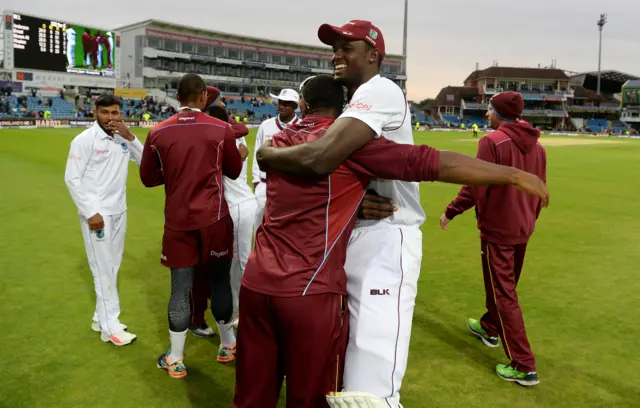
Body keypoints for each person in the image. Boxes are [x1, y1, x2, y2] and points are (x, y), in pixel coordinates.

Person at [256, 21, 549, 408]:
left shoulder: (380, 90)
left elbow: (323, 158)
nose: (337, 55)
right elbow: (344, 168)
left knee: (371, 389)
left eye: (348, 48)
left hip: (386, 239)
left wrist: (266, 154)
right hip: (352, 234)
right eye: (335, 48)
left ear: (374, 55)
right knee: (342, 378)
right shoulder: (354, 103)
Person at [139, 73, 244, 378]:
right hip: (214, 219)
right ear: (201, 96)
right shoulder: (221, 128)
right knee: (220, 281)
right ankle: (227, 346)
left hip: (178, 222)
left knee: (180, 289)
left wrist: (172, 176)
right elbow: (235, 172)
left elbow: (148, 178)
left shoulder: (157, 132)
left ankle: (176, 358)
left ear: (177, 96)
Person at [440, 91, 546, 387]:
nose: (486, 114)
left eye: (489, 109)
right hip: (523, 226)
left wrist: (452, 211)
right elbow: (540, 188)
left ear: (499, 113)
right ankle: (489, 326)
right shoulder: (538, 146)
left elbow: (475, 184)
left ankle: (524, 365)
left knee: (504, 292)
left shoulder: (491, 141)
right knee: (502, 285)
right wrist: (528, 218)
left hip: (499, 227)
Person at [64, 93, 143, 346]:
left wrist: (131, 138)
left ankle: (101, 317)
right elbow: (72, 178)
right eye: (105, 112)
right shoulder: (84, 140)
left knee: (112, 267)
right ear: (94, 112)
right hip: (98, 215)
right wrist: (90, 212)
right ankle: (111, 327)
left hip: (120, 210)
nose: (111, 117)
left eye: (115, 112)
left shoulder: (122, 138)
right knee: (103, 270)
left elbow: (145, 162)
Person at [189, 87, 254, 337]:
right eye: (221, 101)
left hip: (233, 206)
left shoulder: (221, 132)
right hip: (221, 207)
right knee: (221, 265)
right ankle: (228, 313)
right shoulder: (222, 131)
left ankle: (238, 312)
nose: (226, 104)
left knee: (233, 263)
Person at [251, 88, 300, 232]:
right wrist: (257, 182)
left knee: (286, 231)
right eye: (280, 102)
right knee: (259, 228)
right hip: (265, 185)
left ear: (295, 107)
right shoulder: (266, 125)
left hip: (289, 188)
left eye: (287, 103)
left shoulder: (302, 127)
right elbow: (257, 153)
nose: (282, 106)